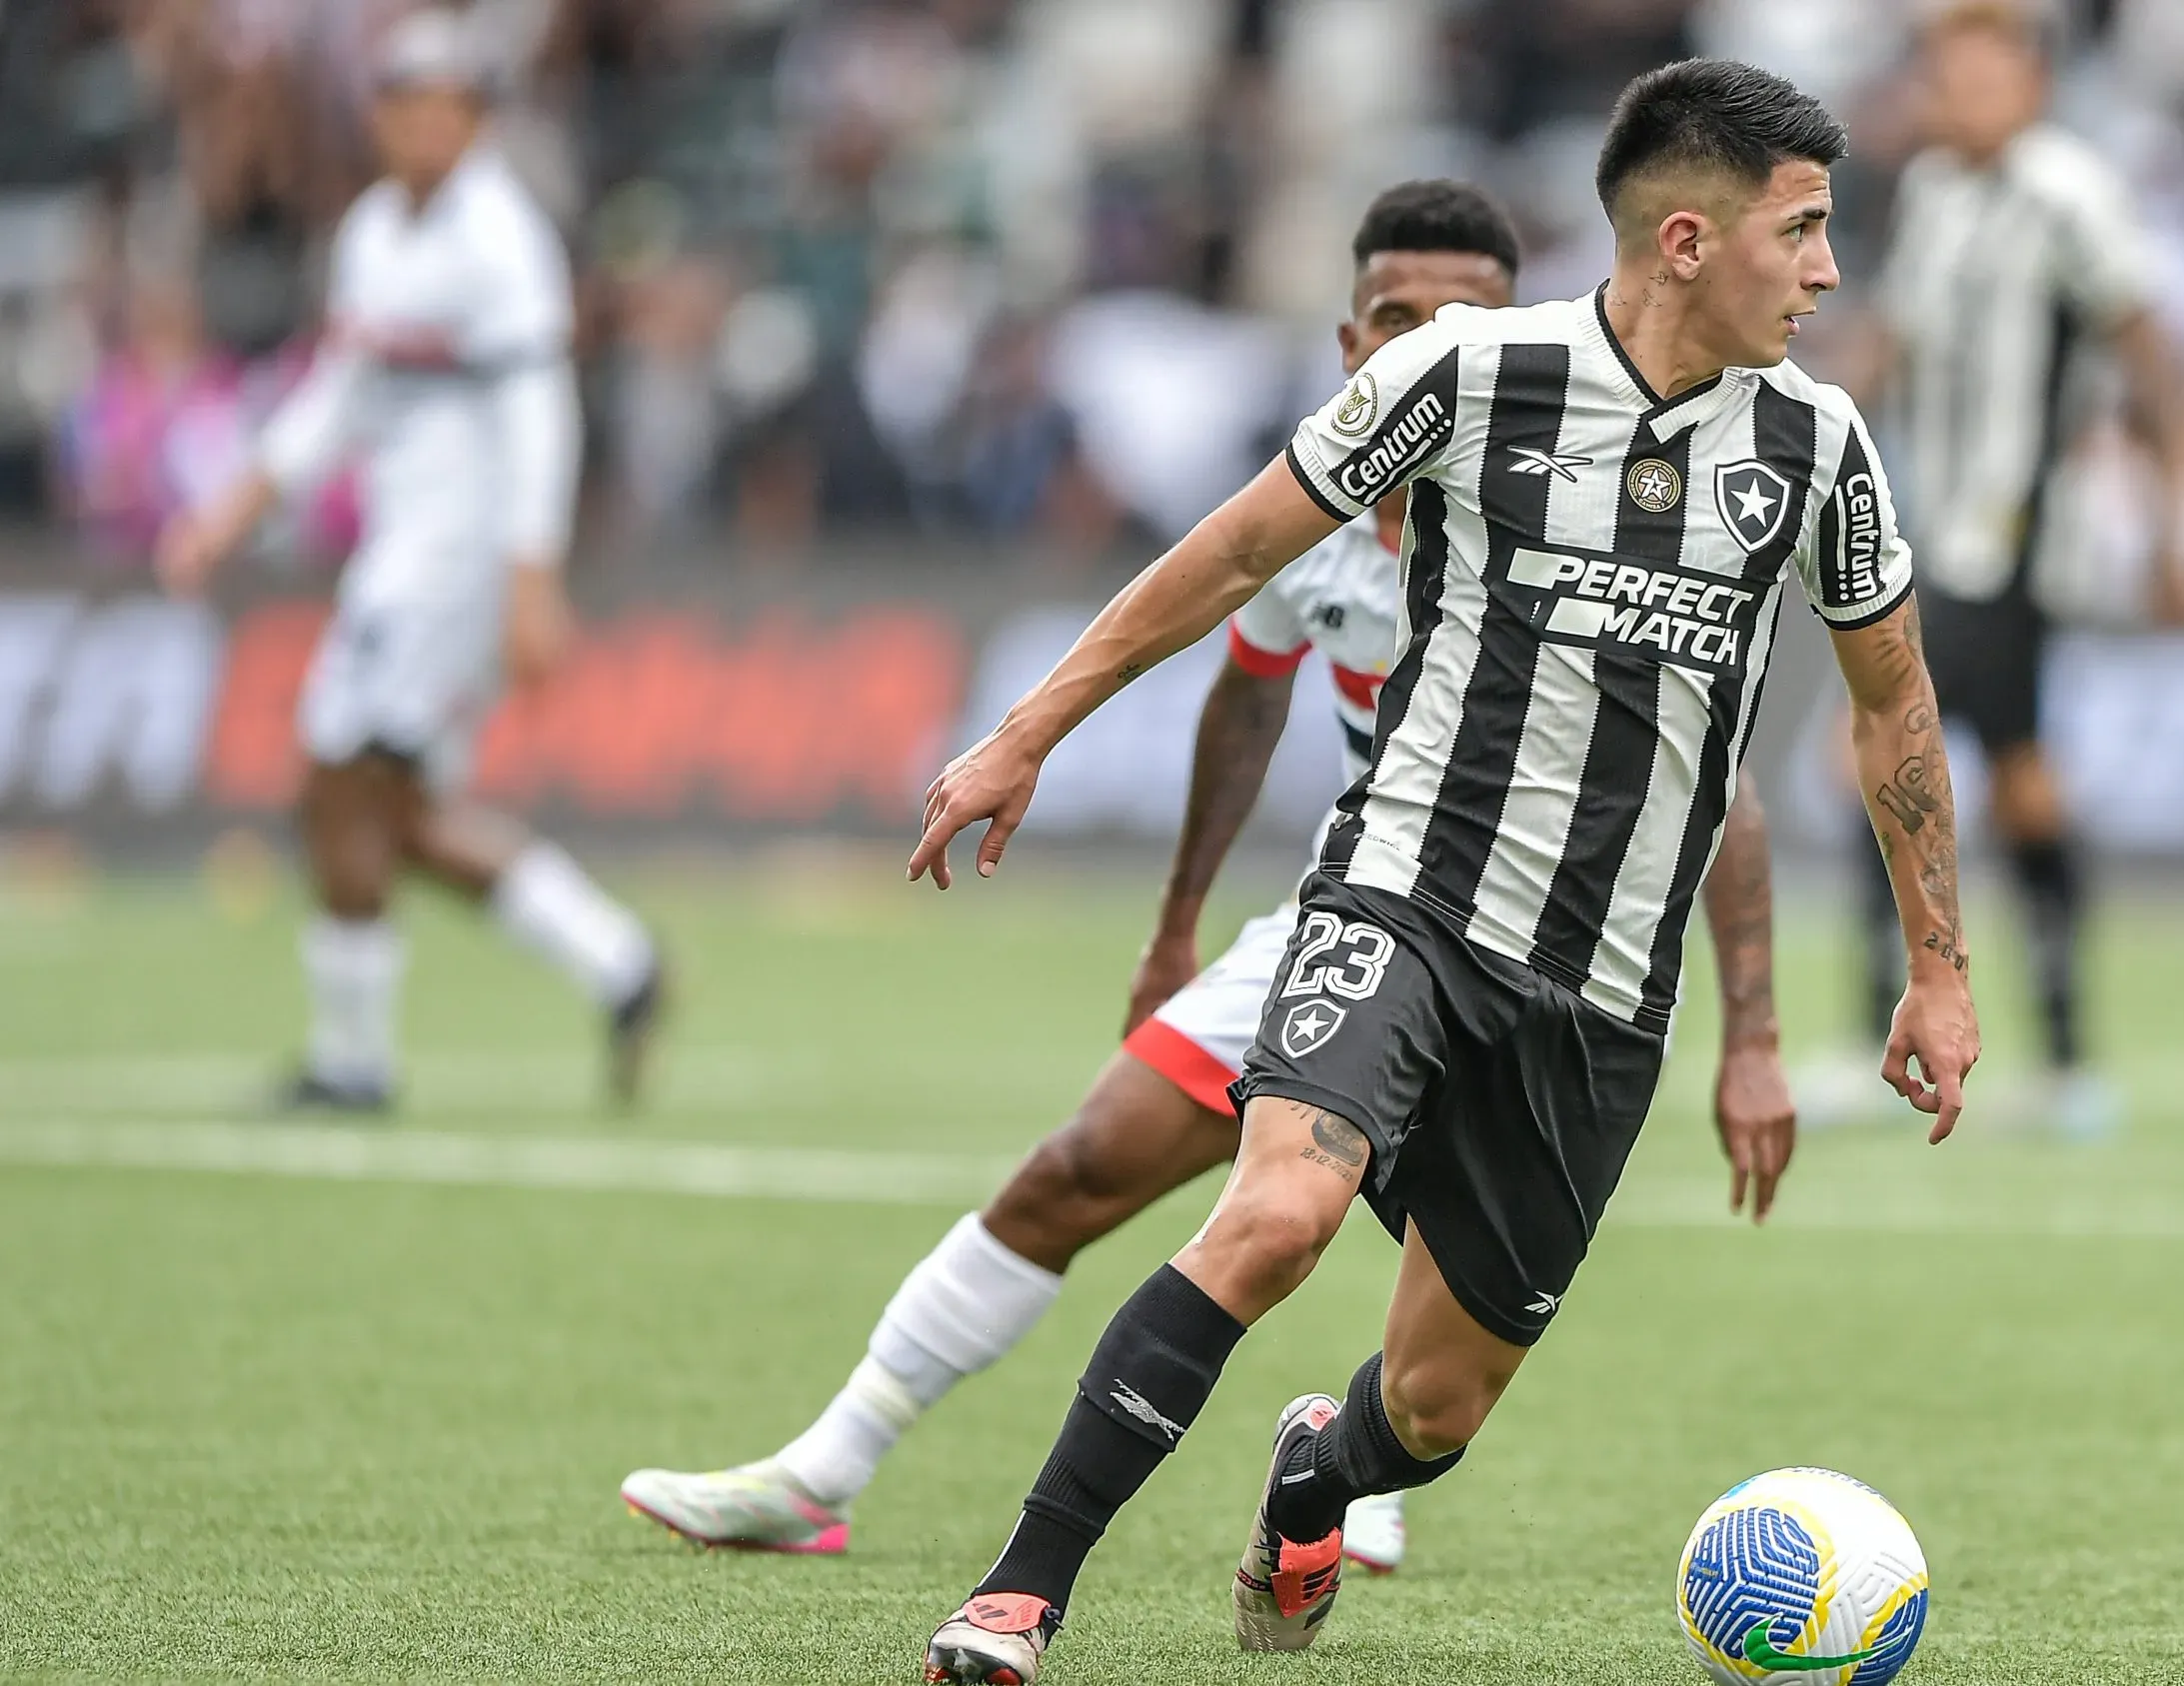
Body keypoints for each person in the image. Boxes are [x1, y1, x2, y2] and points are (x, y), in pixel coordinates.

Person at [906, 59, 1980, 1684]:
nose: (1831, 271)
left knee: (1431, 1407)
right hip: (1402, 895)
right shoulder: (1475, 376)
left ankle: (1316, 1477)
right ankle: (1019, 1592)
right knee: (1276, 1219)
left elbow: (1894, 705)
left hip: (1603, 994)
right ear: (1686, 238)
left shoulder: (1818, 449)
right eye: (1807, 229)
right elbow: (1239, 548)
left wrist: (1940, 965)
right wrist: (1025, 731)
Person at [612, 180, 1798, 1577]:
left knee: (1432, 1280)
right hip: (1362, 911)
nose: (1430, 340)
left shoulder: (1591, 515)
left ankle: (1356, 1459)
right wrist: (1176, 922)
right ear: (1355, 342)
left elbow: (1715, 790)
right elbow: (1243, 697)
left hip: (1545, 952)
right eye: (1400, 318)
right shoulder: (1321, 513)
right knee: (1081, 1165)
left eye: (1465, 318)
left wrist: (1758, 1035)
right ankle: (825, 1465)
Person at [158, 11, 664, 1111]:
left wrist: (534, 577)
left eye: (447, 106)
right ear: (379, 116)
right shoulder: (377, 231)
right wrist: (232, 508)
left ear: (475, 119)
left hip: (456, 563)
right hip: (407, 547)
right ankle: (619, 961)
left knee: (334, 780)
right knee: (396, 809)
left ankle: (352, 1061)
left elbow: (540, 414)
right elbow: (342, 393)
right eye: (404, 105)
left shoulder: (499, 241)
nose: (424, 127)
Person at [1814, 0, 2184, 1137]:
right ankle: (2066, 1060)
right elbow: (1893, 342)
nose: (1962, 98)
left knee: (1889, 765)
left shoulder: (2070, 194)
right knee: (2010, 775)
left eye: (1983, 78)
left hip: (2017, 542)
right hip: (1927, 540)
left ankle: (1908, 1043)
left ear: (2031, 85)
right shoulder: (1935, 194)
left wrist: (2174, 529)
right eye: (1948, 78)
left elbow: (2148, 354)